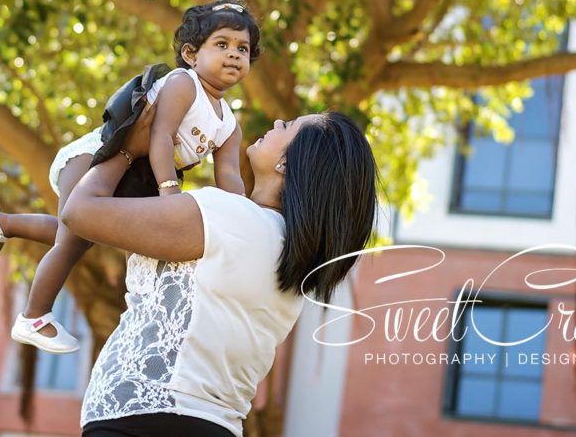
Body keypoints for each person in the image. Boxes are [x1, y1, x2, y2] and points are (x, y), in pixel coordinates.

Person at [58, 103, 379, 437]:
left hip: (140, 422)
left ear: (287, 162)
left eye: (289, 126)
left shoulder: (230, 218)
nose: (278, 119)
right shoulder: (288, 255)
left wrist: (128, 147)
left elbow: (78, 212)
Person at [0, 0, 262, 353]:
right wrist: (169, 193)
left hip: (132, 175)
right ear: (191, 54)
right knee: (73, 239)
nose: (234, 54)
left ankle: (0, 223)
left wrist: (244, 219)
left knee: (83, 234)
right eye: (222, 45)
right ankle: (33, 317)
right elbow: (159, 136)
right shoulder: (183, 85)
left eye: (243, 49)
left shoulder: (229, 125)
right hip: (96, 156)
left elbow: (230, 176)